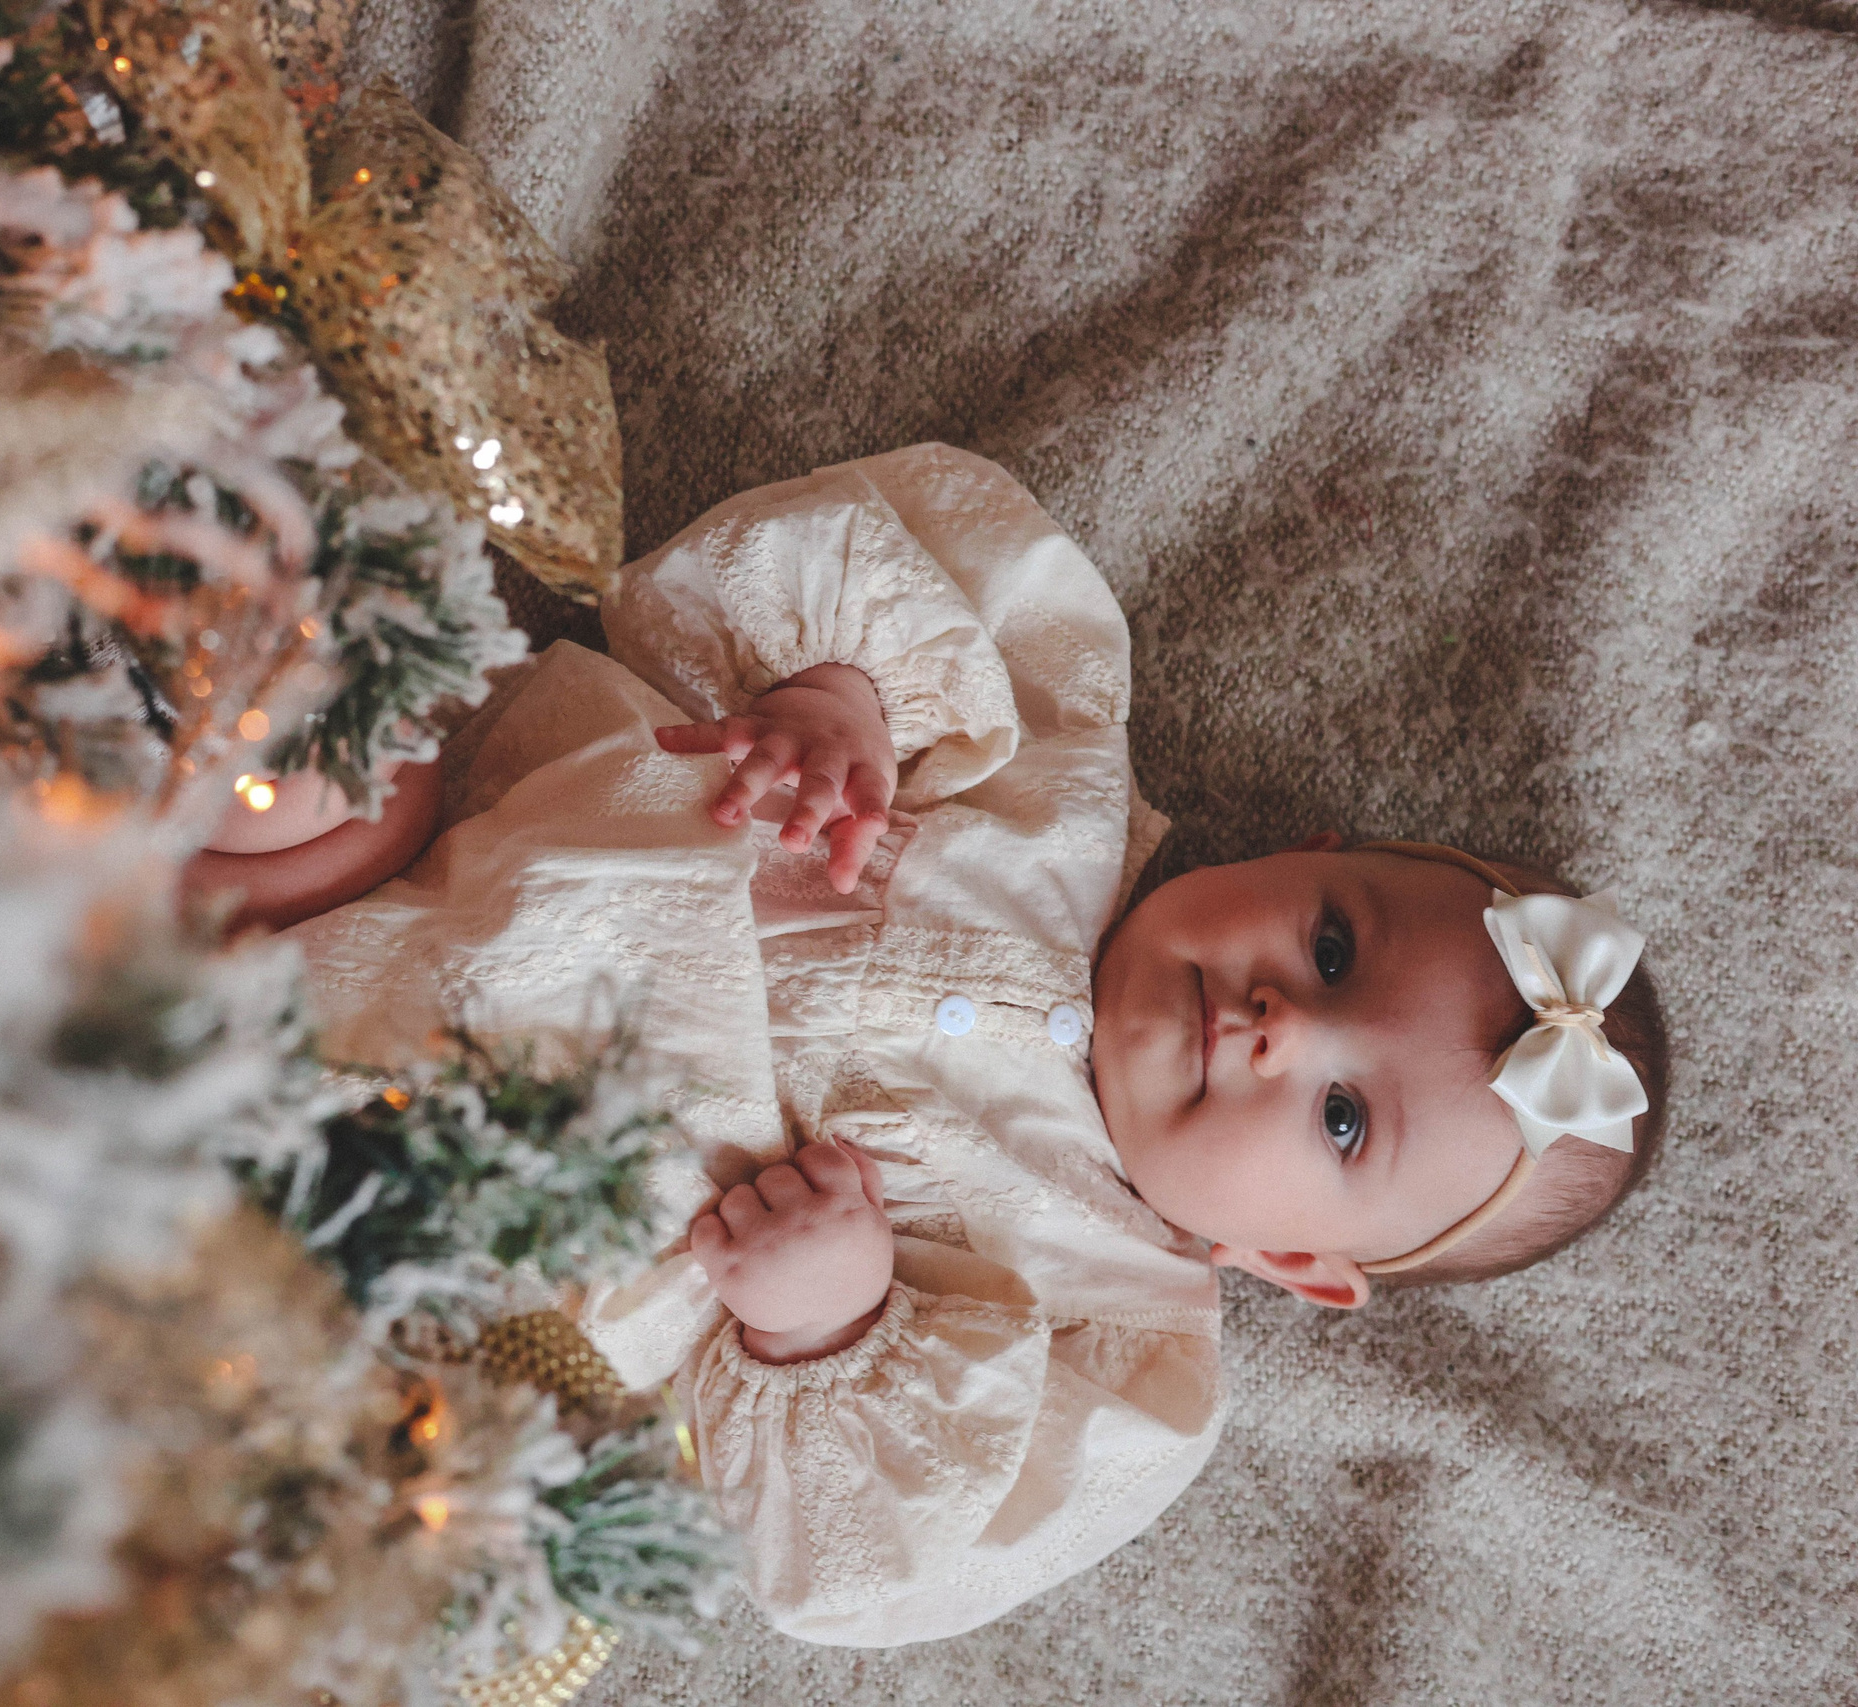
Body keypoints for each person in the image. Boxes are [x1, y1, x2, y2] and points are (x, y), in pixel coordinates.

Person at [287, 443, 1669, 1645]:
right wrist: (840, 707)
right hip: (454, 856)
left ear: (1299, 1268)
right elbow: (866, 550)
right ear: (1302, 856)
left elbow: (864, 1568)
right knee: (295, 737)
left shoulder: (1123, 1354)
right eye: (1330, 949)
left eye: (1344, 1120)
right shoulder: (1047, 760)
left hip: (461, 1230)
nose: (1281, 1026)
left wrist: (825, 1322)